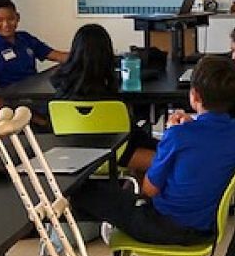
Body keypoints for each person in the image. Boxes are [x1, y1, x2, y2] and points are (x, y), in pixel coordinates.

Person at [69, 56, 235, 256]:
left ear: (194, 95)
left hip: (162, 228)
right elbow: (210, 143)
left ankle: (69, 236)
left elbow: (149, 190)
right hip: (206, 227)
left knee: (86, 191)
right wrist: (191, 126)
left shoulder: (177, 136)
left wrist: (172, 133)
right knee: (171, 195)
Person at [50, 23, 156, 176]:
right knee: (169, 158)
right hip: (118, 154)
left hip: (74, 156)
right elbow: (133, 136)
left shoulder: (60, 89)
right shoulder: (109, 93)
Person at [0, 0, 67, 87]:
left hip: (35, 90)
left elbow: (55, 55)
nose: (6, 24)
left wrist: (76, 58)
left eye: (10, 19)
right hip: (10, 95)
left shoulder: (25, 38)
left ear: (17, 17)